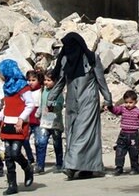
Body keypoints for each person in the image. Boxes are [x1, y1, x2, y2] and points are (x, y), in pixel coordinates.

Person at [46, 32, 113, 180]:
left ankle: (70, 166)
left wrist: (108, 99)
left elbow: (101, 81)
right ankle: (87, 168)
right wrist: (50, 99)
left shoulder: (91, 59)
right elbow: (61, 82)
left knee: (83, 133)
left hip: (88, 100)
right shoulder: (65, 60)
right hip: (71, 102)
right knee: (72, 134)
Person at [0, 59, 34, 195]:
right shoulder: (7, 87)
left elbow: (30, 104)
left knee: (15, 153)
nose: (0, 74)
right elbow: (6, 107)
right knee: (8, 156)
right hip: (7, 125)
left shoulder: (22, 87)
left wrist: (21, 118)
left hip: (19, 125)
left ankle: (27, 167)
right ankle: (12, 185)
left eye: (1, 71)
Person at [107, 90, 139, 176]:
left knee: (134, 152)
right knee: (119, 151)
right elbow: (115, 110)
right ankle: (119, 168)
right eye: (126, 102)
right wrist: (110, 107)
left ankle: (135, 168)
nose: (128, 105)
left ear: (135, 102)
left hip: (133, 135)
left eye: (131, 102)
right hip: (123, 134)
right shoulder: (122, 109)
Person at [35, 70, 64, 174]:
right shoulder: (44, 91)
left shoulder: (58, 93)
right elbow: (41, 104)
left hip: (55, 123)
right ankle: (40, 165)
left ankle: (59, 164)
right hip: (44, 122)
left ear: (56, 81)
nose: (46, 82)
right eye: (45, 80)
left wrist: (52, 106)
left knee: (57, 144)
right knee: (41, 142)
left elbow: (60, 106)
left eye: (49, 80)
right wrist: (38, 113)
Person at [22, 70, 43, 166]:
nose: (30, 82)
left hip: (38, 120)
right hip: (28, 119)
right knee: (24, 139)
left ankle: (40, 161)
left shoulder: (41, 91)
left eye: (33, 80)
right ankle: (30, 157)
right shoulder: (26, 91)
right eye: (29, 80)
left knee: (38, 142)